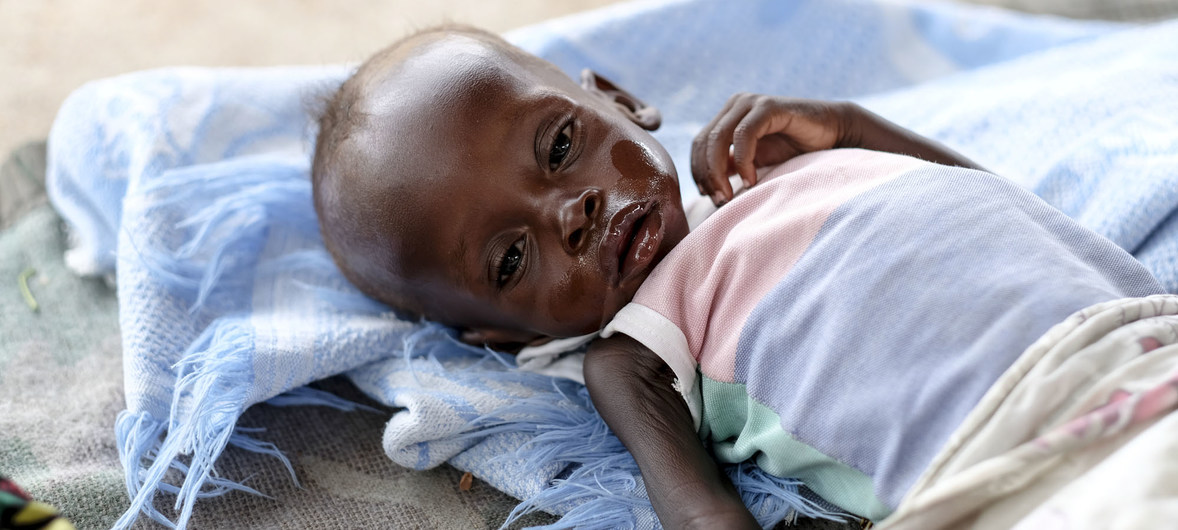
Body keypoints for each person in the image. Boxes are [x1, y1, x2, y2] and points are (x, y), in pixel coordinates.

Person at [310, 25, 1162, 528]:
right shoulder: (636, 352)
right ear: (501, 334)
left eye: (560, 146)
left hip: (1142, 346)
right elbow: (699, 512)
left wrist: (857, 129)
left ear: (619, 98)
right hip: (1024, 460)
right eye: (510, 258)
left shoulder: (772, 171)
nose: (568, 213)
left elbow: (997, 203)